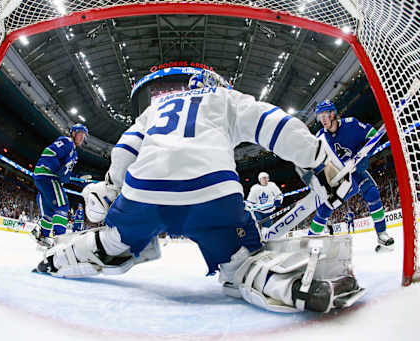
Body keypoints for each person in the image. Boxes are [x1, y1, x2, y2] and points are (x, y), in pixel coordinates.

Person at [35, 69, 363, 313]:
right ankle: (289, 285)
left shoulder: (156, 108)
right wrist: (321, 162)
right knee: (242, 261)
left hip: (143, 192)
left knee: (114, 239)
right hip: (211, 191)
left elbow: (125, 149)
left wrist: (112, 187)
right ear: (216, 86)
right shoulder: (223, 98)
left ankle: (59, 260)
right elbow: (275, 125)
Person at [309, 100, 394, 251]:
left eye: (324, 115)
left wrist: (365, 154)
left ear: (333, 113)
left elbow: (373, 135)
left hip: (356, 172)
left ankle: (381, 234)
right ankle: (309, 241)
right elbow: (316, 163)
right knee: (325, 208)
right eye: (319, 116)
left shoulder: (351, 124)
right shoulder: (319, 138)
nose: (322, 119)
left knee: (373, 193)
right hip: (338, 179)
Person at [30, 123, 88, 247]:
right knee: (62, 206)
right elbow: (49, 152)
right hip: (48, 176)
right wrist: (55, 169)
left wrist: (77, 179)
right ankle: (60, 242)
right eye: (80, 134)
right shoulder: (67, 142)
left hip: (44, 177)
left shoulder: (74, 153)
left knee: (50, 212)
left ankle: (43, 236)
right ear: (73, 133)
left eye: (84, 136)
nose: (82, 138)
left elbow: (64, 173)